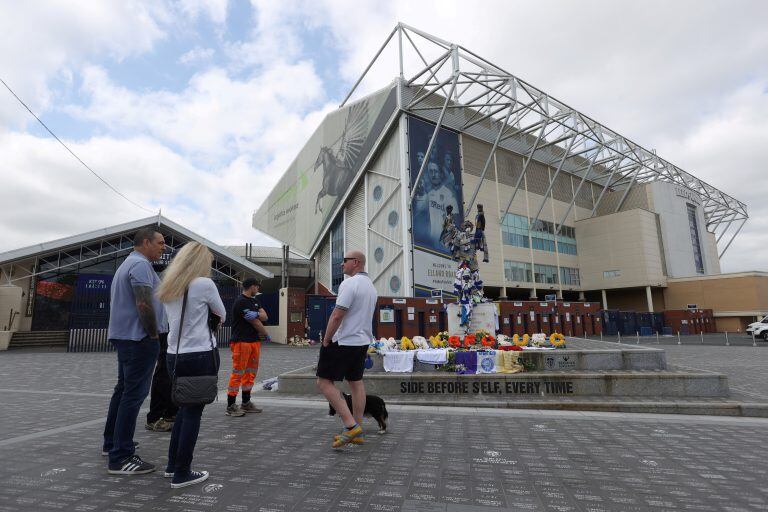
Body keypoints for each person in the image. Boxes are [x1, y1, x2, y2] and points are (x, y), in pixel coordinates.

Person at [157, 241, 225, 489]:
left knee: (183, 411)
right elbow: (222, 314)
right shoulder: (204, 284)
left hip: (173, 354)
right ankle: (182, 472)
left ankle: (172, 465)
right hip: (199, 354)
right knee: (193, 413)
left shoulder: (169, 286)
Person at [102, 228, 165, 475]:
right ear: (146, 242)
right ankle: (121, 456)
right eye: (160, 243)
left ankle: (112, 443)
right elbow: (143, 302)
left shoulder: (128, 263)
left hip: (126, 337)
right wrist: (152, 334)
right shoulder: (140, 266)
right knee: (133, 395)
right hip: (139, 339)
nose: (163, 247)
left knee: (123, 391)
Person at [316, 250, 377, 449]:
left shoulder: (350, 283)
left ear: (356, 262)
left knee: (324, 382)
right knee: (356, 383)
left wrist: (326, 339)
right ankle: (357, 430)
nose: (341, 264)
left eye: (345, 261)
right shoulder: (371, 287)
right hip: (362, 342)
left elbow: (337, 315)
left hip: (343, 341)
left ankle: (350, 426)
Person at [226, 277, 269, 416]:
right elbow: (255, 322)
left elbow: (265, 316)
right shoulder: (241, 302)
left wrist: (257, 313)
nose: (258, 289)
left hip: (253, 341)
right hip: (241, 342)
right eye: (257, 286)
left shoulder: (255, 301)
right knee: (238, 373)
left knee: (250, 373)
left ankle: (246, 403)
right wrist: (266, 333)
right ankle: (231, 406)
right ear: (252, 287)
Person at [145, 260, 177, 433]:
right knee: (163, 371)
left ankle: (170, 411)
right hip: (164, 330)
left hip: (172, 330)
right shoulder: (161, 278)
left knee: (172, 371)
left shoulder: (173, 278)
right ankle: (155, 416)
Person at [414, 160, 459, 251]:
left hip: (445, 247)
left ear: (441, 174)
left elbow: (456, 220)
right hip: (430, 245)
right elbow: (419, 215)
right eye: (431, 171)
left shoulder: (448, 194)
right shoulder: (428, 195)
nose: (433, 174)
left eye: (436, 171)